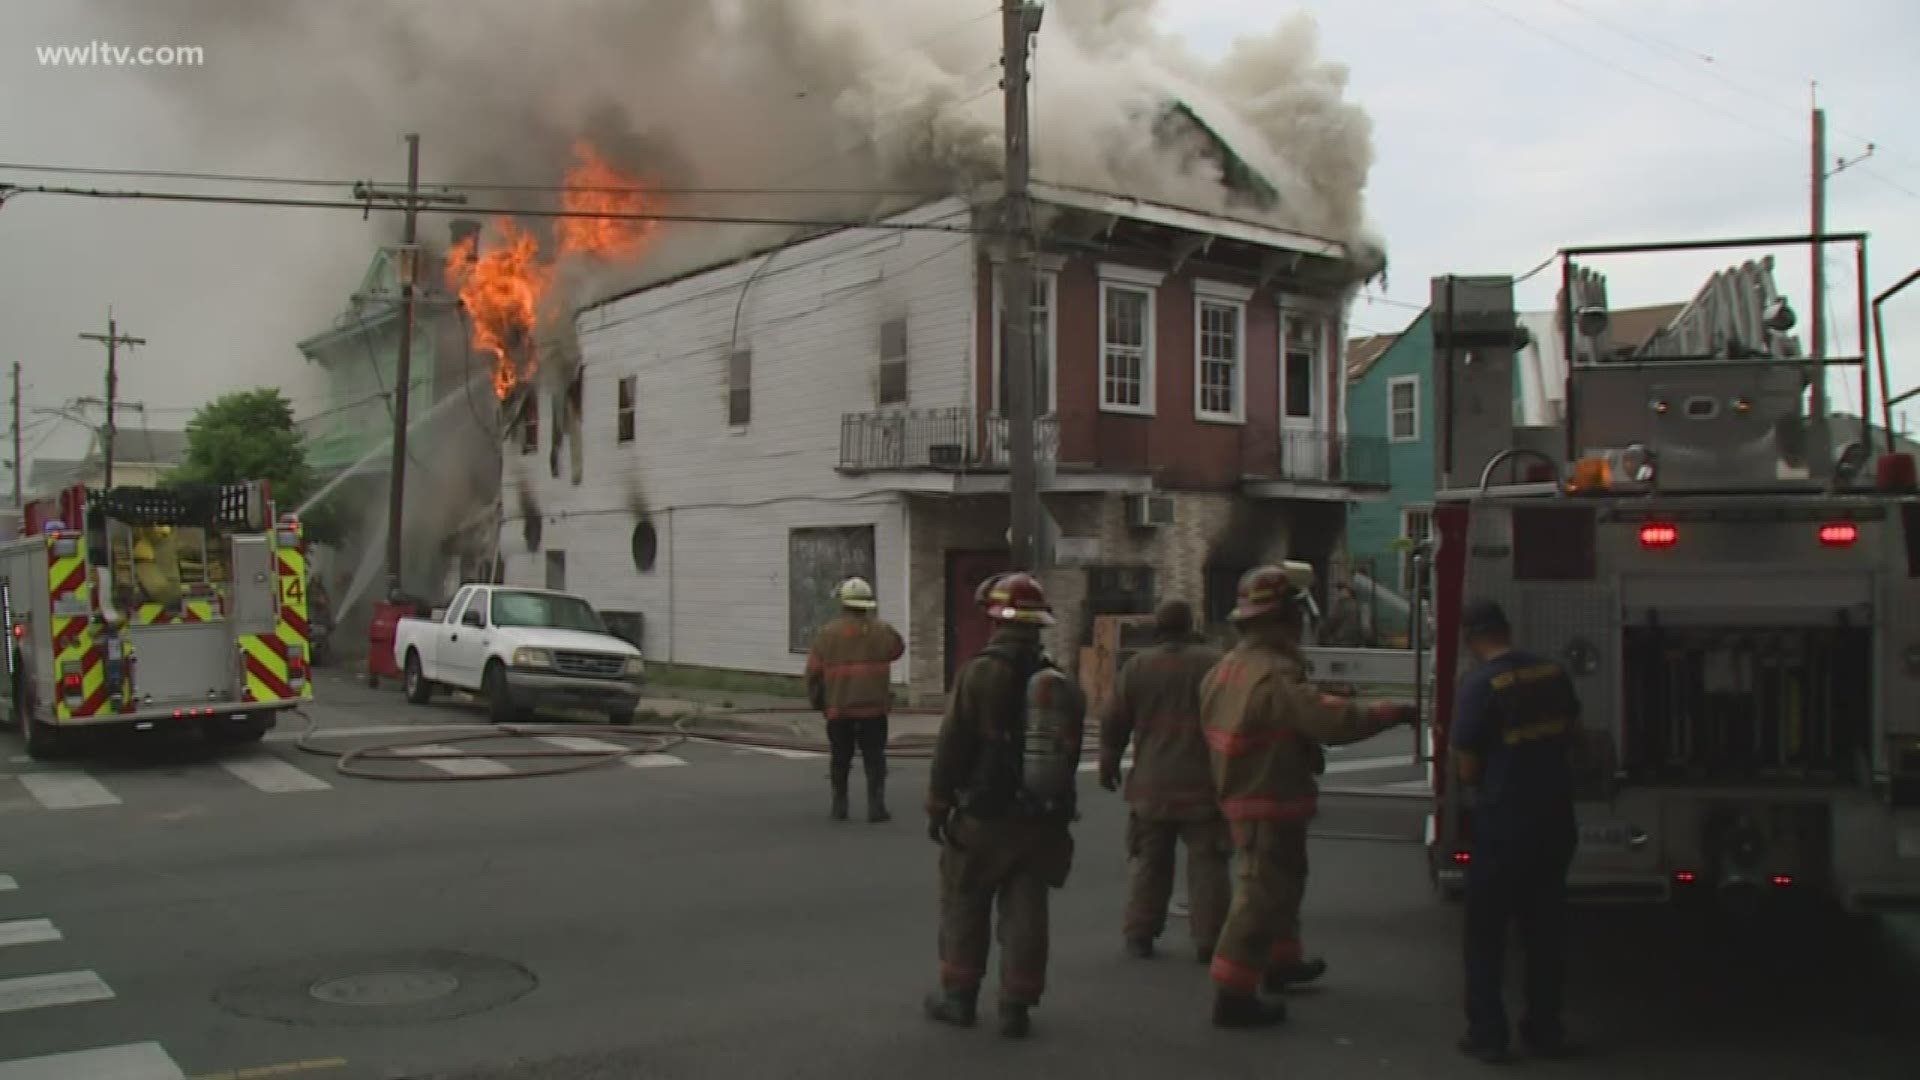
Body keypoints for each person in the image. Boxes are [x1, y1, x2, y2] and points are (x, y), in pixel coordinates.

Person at [1199, 564, 1417, 1028]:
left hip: (1248, 792)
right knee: (1261, 894)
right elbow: (1331, 722)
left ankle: (1281, 962)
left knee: (1283, 883)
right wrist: (1394, 712)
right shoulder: (1273, 676)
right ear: (1282, 619)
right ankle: (1233, 994)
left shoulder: (1226, 668)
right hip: (1267, 797)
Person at [924, 572, 1084, 1040]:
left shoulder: (979, 673)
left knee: (965, 903)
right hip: (1040, 821)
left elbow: (952, 745)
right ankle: (1017, 1005)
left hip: (984, 817)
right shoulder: (1056, 680)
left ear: (995, 620)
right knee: (1027, 913)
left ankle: (959, 999)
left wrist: (937, 803)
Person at [1449, 600, 1582, 1063]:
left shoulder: (1480, 685)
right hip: (1555, 822)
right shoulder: (1553, 673)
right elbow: (1573, 737)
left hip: (1505, 826)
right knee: (1545, 933)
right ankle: (1545, 1030)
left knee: (1485, 935)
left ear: (1470, 637)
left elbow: (1468, 769)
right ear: (1507, 628)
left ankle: (1488, 1034)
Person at [1098, 599, 1229, 963]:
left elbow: (1113, 718)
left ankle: (1140, 932)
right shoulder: (1215, 664)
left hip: (1152, 785)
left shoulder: (1138, 666)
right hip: (1205, 783)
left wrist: (1109, 758)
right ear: (1192, 624)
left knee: (1150, 862)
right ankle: (1210, 937)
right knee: (1208, 864)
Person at [804, 577, 906, 823]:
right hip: (874, 709)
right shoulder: (883, 631)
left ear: (843, 604)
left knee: (840, 758)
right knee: (875, 758)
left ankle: (839, 806)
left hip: (839, 709)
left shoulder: (827, 634)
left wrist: (818, 702)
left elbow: (813, 672)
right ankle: (876, 807)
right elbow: (898, 649)